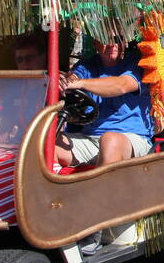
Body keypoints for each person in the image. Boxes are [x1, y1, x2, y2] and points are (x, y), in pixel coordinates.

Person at [55, 38, 155, 167]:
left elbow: (122, 85)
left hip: (131, 139)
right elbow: (73, 78)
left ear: (124, 43)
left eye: (116, 39)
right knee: (47, 142)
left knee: (110, 141)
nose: (112, 44)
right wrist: (63, 81)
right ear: (95, 43)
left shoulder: (137, 63)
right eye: (105, 39)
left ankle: (101, 186)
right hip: (91, 138)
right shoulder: (87, 65)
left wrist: (80, 83)